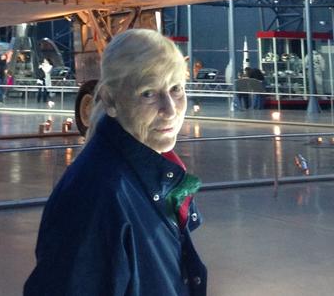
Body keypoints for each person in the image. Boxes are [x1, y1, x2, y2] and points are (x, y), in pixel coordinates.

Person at [23, 29, 207, 295]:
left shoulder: (152, 177)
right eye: (148, 93)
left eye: (176, 88)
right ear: (110, 100)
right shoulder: (96, 195)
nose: (170, 110)